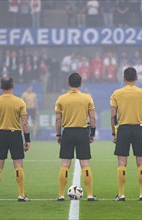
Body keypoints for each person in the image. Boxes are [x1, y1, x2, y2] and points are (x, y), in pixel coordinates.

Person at [55, 72, 97, 201]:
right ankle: (90, 195)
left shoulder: (61, 99)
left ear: (68, 83)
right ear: (80, 84)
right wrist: (92, 134)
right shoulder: (87, 98)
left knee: (65, 164)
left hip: (67, 132)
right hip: (82, 132)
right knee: (85, 163)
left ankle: (61, 195)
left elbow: (58, 120)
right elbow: (93, 118)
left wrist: (58, 134)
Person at [110, 67, 142, 201]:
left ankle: (121, 194)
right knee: (141, 161)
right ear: (137, 78)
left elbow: (113, 116)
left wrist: (114, 132)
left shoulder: (117, 93)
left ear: (124, 78)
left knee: (122, 162)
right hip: (138, 129)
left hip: (123, 129)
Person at [0, 76, 31, 202]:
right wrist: (27, 140)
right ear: (13, 86)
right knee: (18, 165)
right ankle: (21, 195)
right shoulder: (20, 102)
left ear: (1, 86)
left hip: (0, 134)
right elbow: (24, 124)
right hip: (15, 135)